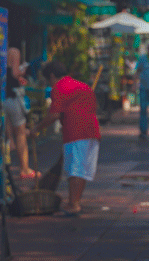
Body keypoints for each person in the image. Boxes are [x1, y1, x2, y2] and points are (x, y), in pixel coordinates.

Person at [30, 61, 99, 216]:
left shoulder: (60, 87)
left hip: (75, 132)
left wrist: (36, 128)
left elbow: (54, 114)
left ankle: (74, 204)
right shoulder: (82, 86)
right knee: (82, 170)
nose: (49, 83)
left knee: (74, 170)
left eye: (48, 79)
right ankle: (75, 202)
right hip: (92, 132)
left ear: (52, 76)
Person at [3, 48, 38, 180]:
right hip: (13, 97)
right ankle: (25, 169)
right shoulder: (13, 52)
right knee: (21, 134)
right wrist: (22, 71)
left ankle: (4, 169)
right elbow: (14, 73)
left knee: (6, 135)